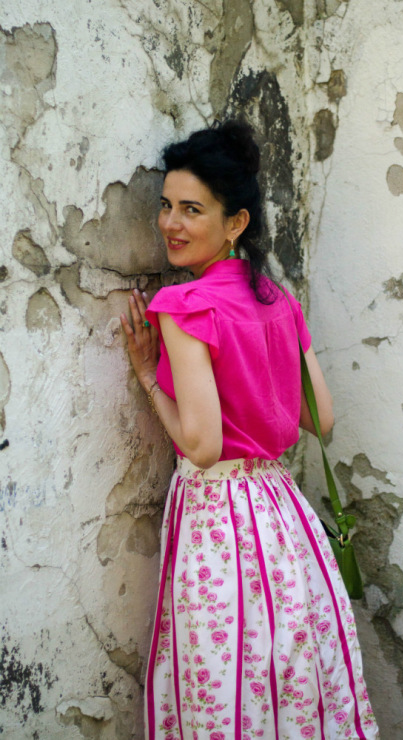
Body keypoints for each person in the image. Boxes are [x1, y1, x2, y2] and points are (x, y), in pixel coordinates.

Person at [120, 120, 379, 740]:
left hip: (219, 521)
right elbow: (320, 419)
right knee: (287, 681)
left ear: (235, 222)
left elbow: (203, 446)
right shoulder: (276, 301)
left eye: (192, 210)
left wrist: (148, 376)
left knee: (223, 686)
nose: (170, 224)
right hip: (282, 521)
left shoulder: (185, 306)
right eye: (166, 205)